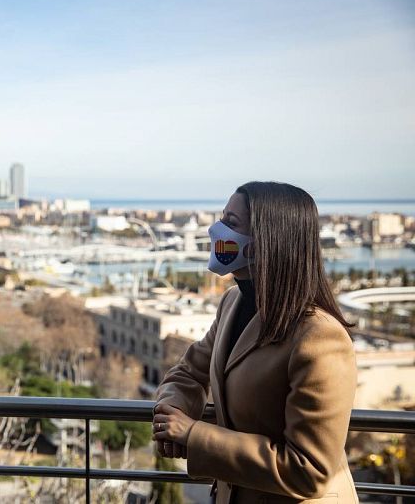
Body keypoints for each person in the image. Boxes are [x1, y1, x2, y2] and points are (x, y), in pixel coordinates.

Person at [152, 182, 358, 503]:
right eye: (221, 220)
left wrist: (193, 434)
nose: (216, 231)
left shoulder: (319, 337)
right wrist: (172, 413)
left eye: (231, 224)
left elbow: (310, 471)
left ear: (266, 240)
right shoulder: (233, 302)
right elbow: (189, 372)